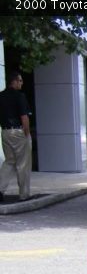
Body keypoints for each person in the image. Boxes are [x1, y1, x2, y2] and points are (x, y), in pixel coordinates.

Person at [0, 71, 32, 202]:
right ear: (14, 81)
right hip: (18, 132)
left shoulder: (0, 96)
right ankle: (24, 194)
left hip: (5, 132)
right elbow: (24, 117)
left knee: (9, 161)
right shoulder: (20, 96)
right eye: (20, 80)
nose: (22, 83)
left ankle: (0, 189)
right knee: (23, 164)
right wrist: (27, 134)